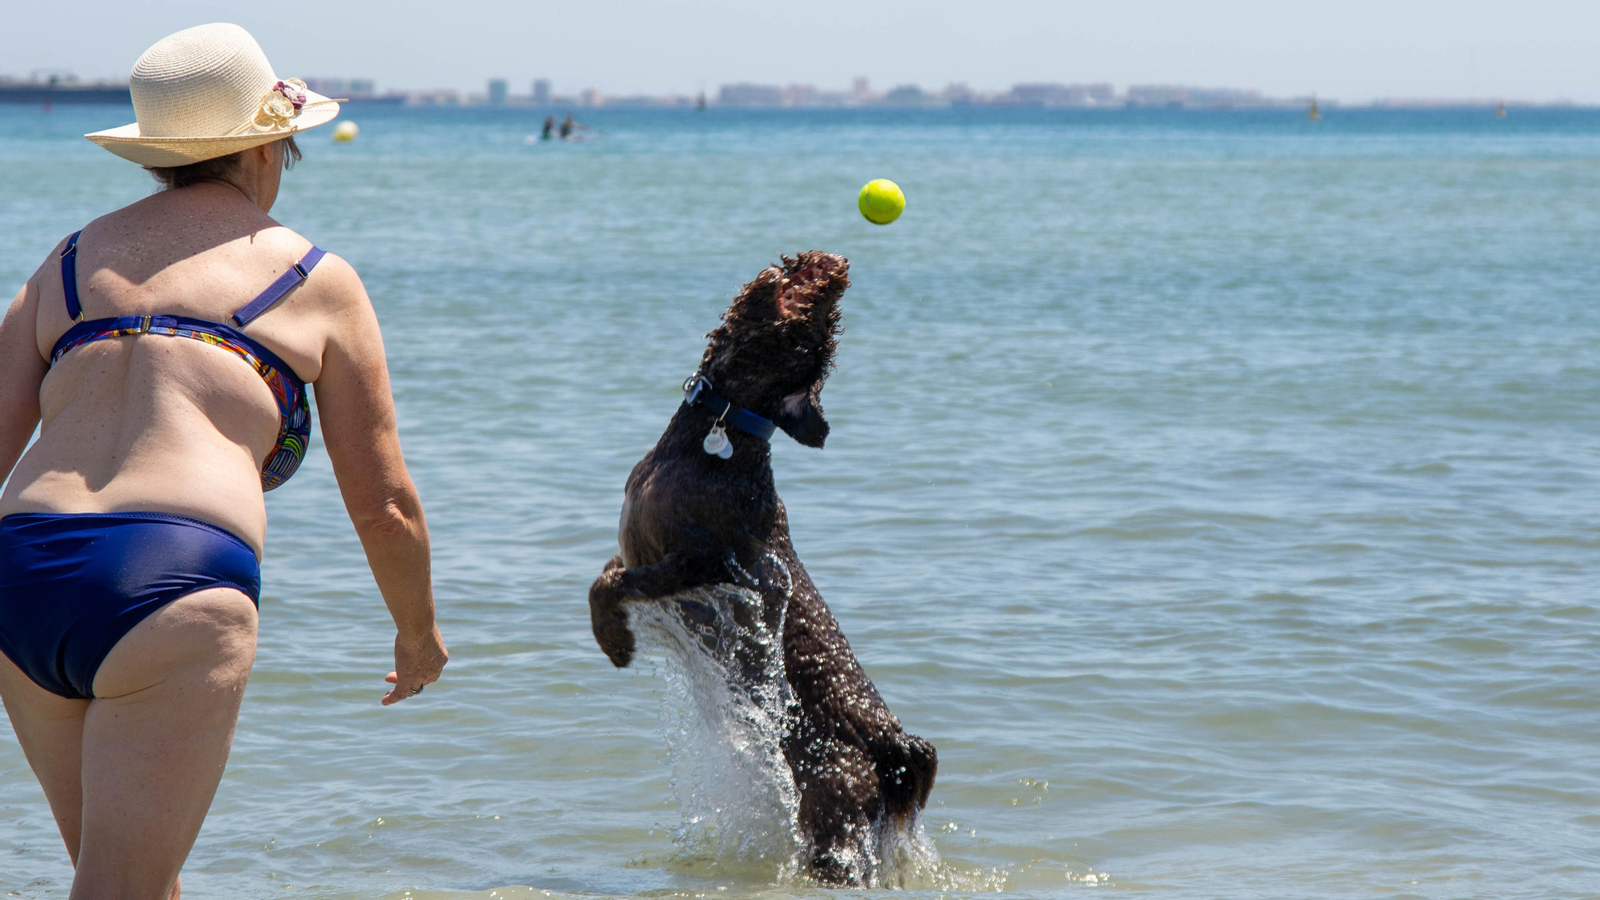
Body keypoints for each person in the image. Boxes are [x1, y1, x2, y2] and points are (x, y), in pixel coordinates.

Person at [0, 24, 447, 899]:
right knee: (124, 887)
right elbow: (384, 503)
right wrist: (418, 633)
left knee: (130, 878)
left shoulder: (68, 263)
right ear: (270, 145)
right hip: (170, 579)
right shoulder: (313, 276)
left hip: (22, 571)